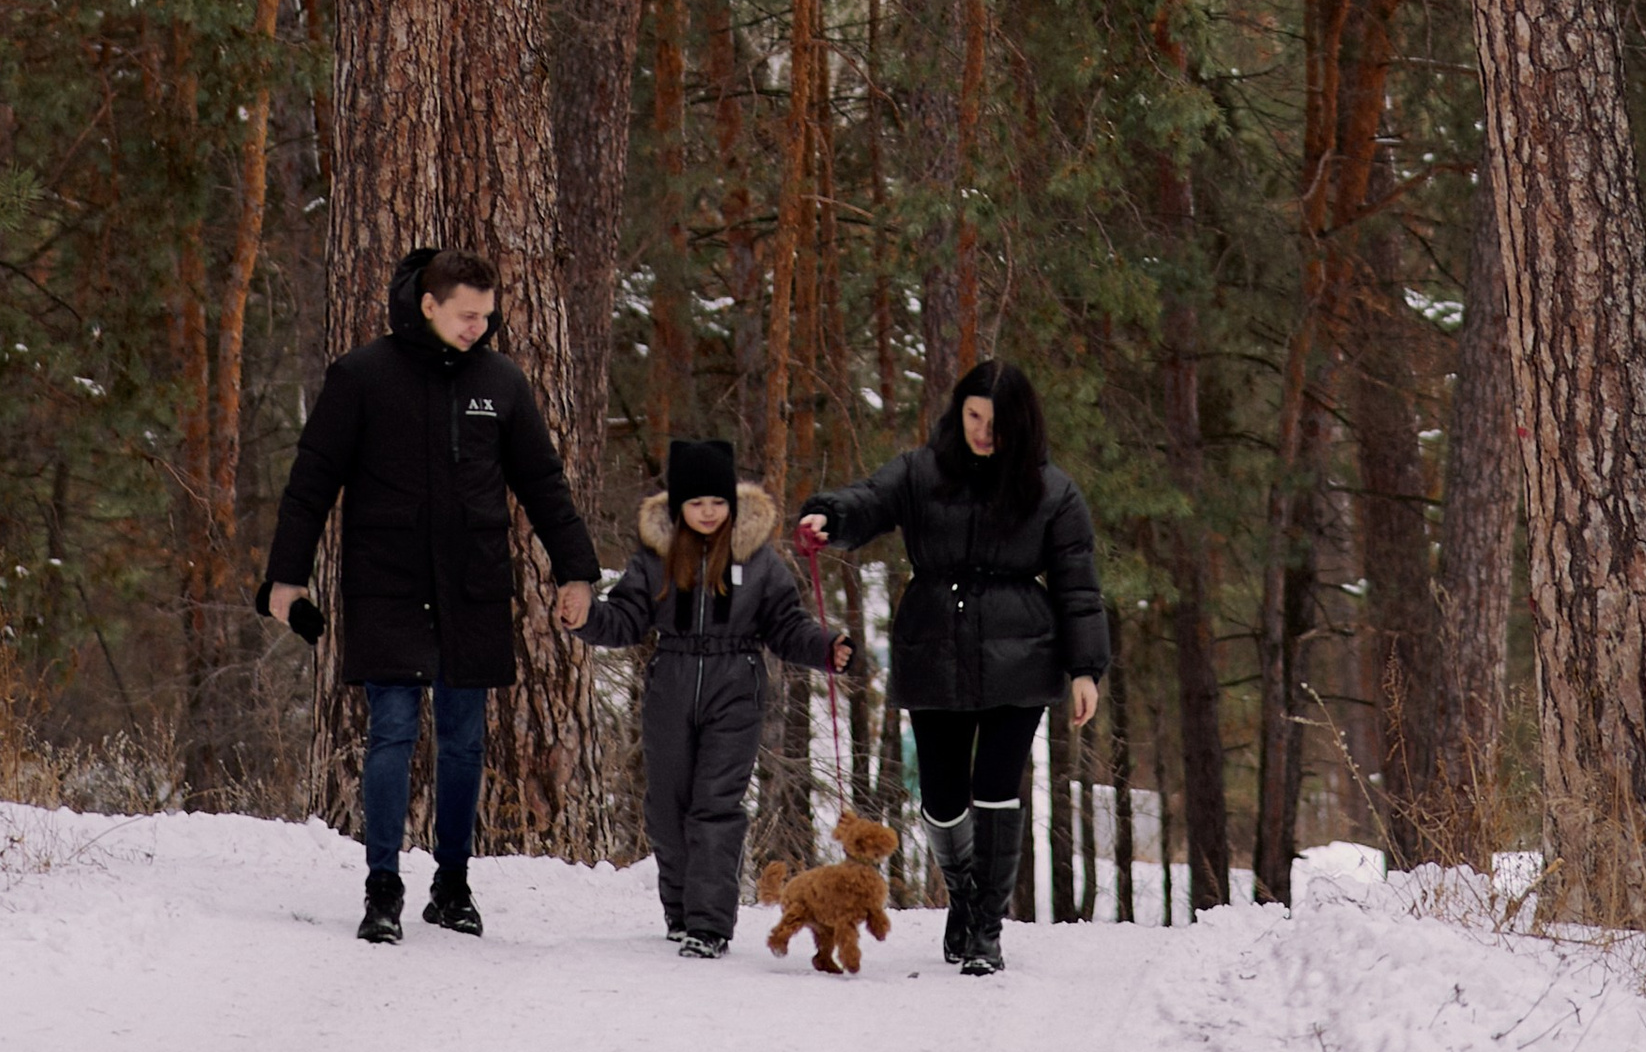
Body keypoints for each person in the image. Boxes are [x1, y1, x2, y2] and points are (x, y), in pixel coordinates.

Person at [261, 243, 599, 945]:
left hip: (472, 585)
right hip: (387, 582)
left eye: (486, 315)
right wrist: (285, 579)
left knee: (464, 741)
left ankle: (452, 885)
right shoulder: (361, 376)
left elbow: (542, 484)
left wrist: (577, 572)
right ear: (429, 305)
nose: (479, 327)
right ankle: (382, 885)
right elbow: (311, 483)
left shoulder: (501, 383)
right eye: (466, 315)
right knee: (391, 732)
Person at [795, 357, 1107, 979]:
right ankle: (963, 896)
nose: (982, 432)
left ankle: (986, 928)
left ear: (1020, 424)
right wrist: (831, 517)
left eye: (994, 422)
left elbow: (1078, 586)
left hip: (1021, 654)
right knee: (938, 795)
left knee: (996, 787)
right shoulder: (921, 470)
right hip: (934, 644)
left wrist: (1084, 669)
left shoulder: (1052, 490)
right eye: (972, 416)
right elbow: (870, 500)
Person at [570, 437, 850, 959]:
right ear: (679, 506)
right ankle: (679, 915)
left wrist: (826, 647)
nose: (707, 513)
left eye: (717, 503)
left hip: (735, 685)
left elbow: (786, 626)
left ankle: (709, 925)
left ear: (732, 504)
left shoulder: (760, 562)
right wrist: (585, 619)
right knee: (667, 809)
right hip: (670, 683)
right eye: (697, 503)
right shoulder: (654, 558)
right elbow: (626, 618)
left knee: (715, 807)